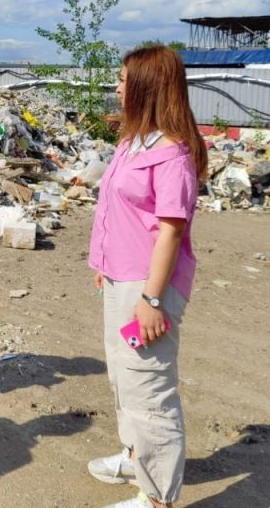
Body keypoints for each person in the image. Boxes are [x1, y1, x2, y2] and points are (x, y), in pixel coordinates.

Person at [85, 45, 207, 508]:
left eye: (123, 80)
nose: (116, 88)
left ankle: (157, 496)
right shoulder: (134, 141)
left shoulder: (173, 154)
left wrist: (152, 300)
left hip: (148, 285)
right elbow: (116, 210)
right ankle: (136, 455)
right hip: (120, 278)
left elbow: (171, 232)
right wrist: (102, 262)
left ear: (146, 88)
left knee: (149, 384)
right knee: (122, 373)